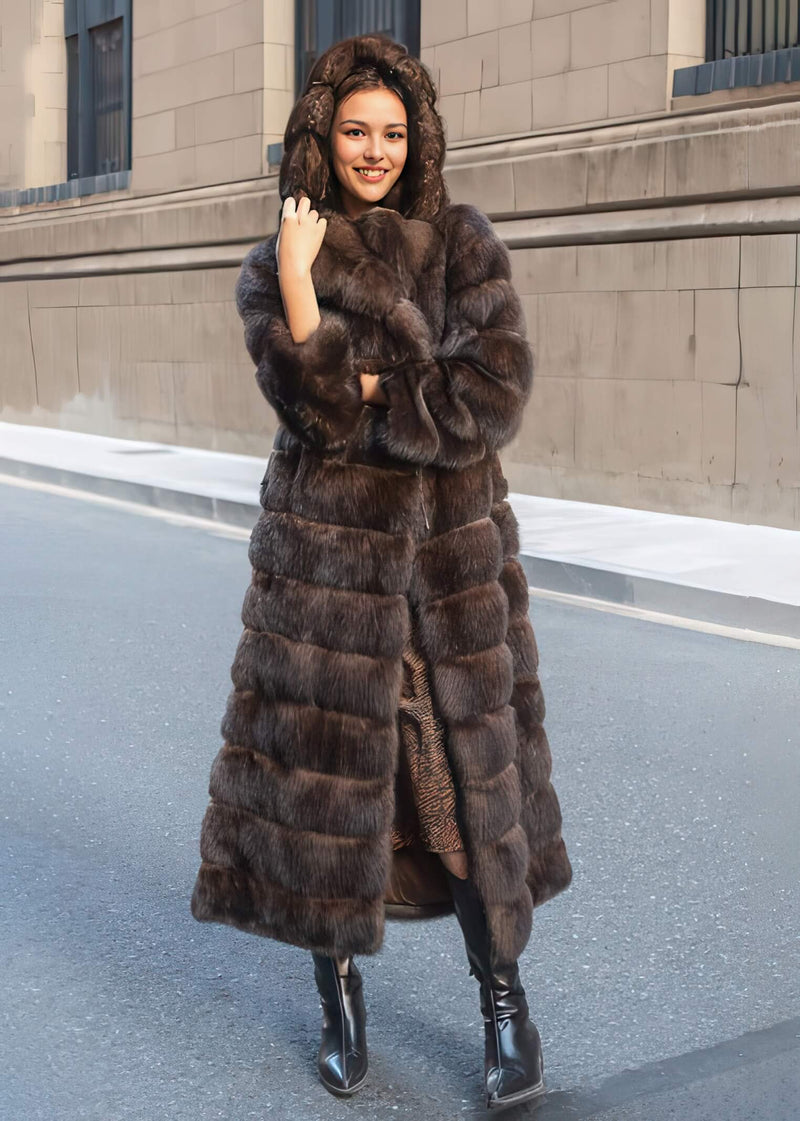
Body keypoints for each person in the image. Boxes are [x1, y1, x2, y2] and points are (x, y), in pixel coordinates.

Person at [190, 32, 572, 1112]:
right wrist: (305, 294)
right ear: (324, 135)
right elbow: (311, 409)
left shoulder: (461, 242)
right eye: (355, 131)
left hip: (448, 576)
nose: (373, 151)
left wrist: (366, 388)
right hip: (327, 573)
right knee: (335, 800)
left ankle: (504, 1003)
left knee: (460, 797)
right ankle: (339, 1000)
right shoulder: (280, 259)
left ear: (418, 140)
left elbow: (489, 390)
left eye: (392, 133)